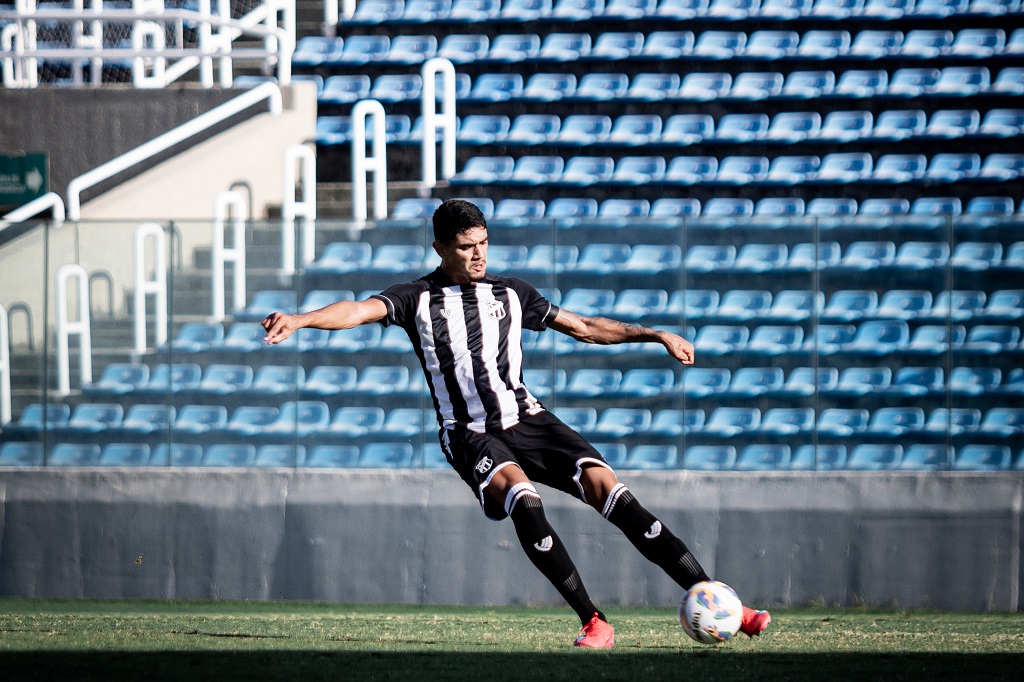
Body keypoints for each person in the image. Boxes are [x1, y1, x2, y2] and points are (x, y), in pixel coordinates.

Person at [262, 199, 771, 648]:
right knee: (524, 499)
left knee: (613, 493)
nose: (479, 254)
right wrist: (301, 319)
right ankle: (594, 621)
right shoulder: (415, 297)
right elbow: (355, 310)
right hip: (470, 432)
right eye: (466, 247)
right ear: (441, 248)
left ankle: (726, 604)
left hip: (530, 419)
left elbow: (587, 328)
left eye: (484, 243)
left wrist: (654, 334)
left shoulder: (512, 293)